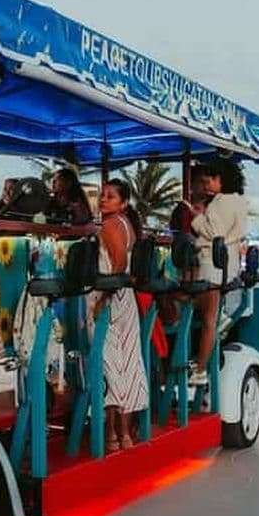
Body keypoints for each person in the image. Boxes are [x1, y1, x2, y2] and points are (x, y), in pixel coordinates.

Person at [87, 179, 147, 451]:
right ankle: (126, 435)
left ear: (123, 203)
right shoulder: (128, 225)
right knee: (129, 367)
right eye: (102, 195)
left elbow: (119, 262)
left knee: (108, 367)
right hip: (126, 300)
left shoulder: (111, 225)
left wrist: (104, 297)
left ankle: (111, 435)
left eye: (110, 197)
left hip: (111, 296)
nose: (103, 200)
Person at [186, 158, 248, 387]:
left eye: (210, 180)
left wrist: (197, 217)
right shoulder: (239, 202)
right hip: (226, 265)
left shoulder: (221, 202)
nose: (206, 185)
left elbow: (213, 231)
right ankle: (200, 364)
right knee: (210, 318)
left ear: (222, 179)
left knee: (208, 321)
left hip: (212, 264)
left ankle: (200, 368)